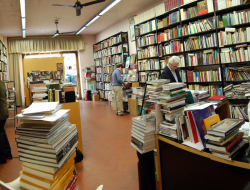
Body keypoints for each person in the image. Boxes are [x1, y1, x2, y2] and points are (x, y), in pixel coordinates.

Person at [0, 80, 12, 164]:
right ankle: (8, 153)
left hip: (0, 112)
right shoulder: (1, 82)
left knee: (0, 134)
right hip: (3, 111)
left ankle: (1, 158)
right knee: (2, 132)